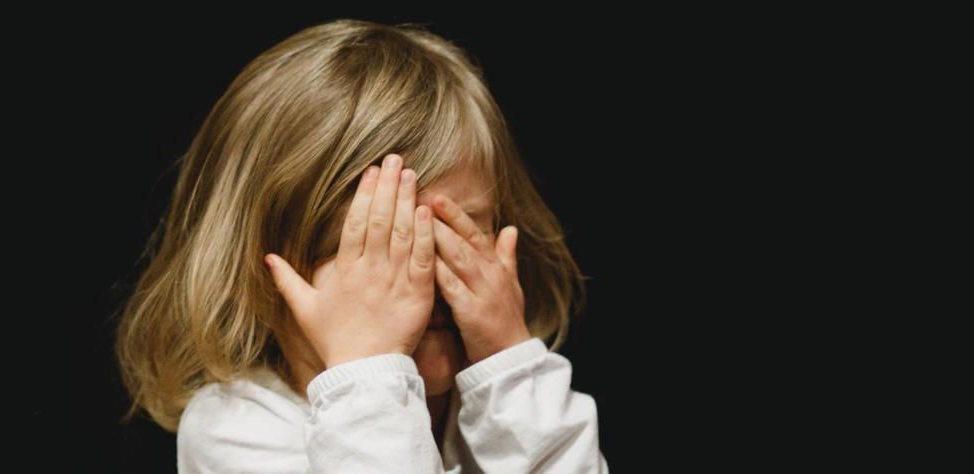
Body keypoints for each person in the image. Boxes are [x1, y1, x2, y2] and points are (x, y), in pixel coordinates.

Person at [115, 18, 609, 473]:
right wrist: (370, 371)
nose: (423, 275)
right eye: (380, 246)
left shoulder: (504, 401)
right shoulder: (236, 428)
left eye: (457, 232)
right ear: (266, 265)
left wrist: (512, 368)